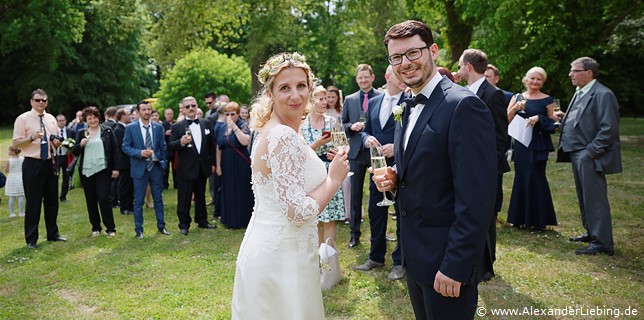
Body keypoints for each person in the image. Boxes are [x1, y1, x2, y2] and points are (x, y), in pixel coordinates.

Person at [374, 20, 497, 319]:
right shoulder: (405, 102)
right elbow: (425, 165)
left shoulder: (463, 106)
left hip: (446, 261)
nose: (405, 63)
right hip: (415, 255)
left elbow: (477, 198)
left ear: (433, 51)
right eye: (396, 57)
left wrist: (455, 264)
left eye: (413, 53)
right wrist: (395, 177)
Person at [231, 52, 348, 320]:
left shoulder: (275, 129)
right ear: (270, 93)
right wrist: (333, 179)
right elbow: (297, 212)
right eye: (285, 87)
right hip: (282, 260)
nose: (295, 95)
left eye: (301, 86)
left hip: (273, 250)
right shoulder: (283, 134)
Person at [557, 57, 622, 256]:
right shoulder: (581, 92)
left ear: (589, 73)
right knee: (584, 196)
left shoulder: (603, 94)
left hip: (589, 155)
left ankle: (602, 242)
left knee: (595, 198)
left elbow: (609, 129)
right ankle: (592, 232)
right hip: (577, 153)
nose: (571, 74)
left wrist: (591, 153)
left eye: (575, 71)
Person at [458, 49, 510, 282]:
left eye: (460, 66)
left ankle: (487, 265)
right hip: (466, 166)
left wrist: (488, 167)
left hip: (487, 168)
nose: (458, 71)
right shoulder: (462, 93)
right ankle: (474, 261)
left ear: (468, 67)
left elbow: (501, 136)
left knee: (487, 217)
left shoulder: (493, 94)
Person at [355, 65, 407, 280]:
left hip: (402, 168)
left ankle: (400, 262)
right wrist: (366, 137)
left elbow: (413, 133)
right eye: (398, 72)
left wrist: (395, 148)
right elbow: (366, 127)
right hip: (376, 168)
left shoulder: (409, 102)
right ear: (388, 76)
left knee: (402, 215)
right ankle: (376, 256)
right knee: (376, 212)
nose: (404, 75)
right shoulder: (375, 101)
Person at [12, 88, 67, 249]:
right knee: (33, 202)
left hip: (50, 162)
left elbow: (55, 139)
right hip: (33, 163)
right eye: (38, 100)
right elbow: (16, 143)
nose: (41, 103)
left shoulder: (51, 118)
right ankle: (31, 239)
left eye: (44, 100)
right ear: (31, 102)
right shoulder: (22, 119)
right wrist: (32, 137)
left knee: (52, 201)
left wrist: (57, 143)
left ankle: (53, 234)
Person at [506, 67, 558, 231]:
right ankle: (518, 218)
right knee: (521, 177)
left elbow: (555, 124)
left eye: (539, 79)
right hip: (522, 144)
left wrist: (540, 118)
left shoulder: (549, 100)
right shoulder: (517, 97)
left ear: (543, 82)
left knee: (536, 178)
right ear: (526, 79)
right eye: (532, 78)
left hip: (538, 145)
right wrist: (515, 109)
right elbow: (505, 119)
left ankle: (538, 220)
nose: (535, 82)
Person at [342, 63, 383, 248]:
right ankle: (354, 234)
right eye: (360, 78)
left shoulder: (382, 97)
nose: (363, 80)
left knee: (378, 194)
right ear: (356, 79)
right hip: (357, 152)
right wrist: (351, 127)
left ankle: (379, 234)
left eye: (366, 77)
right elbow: (341, 125)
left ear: (372, 77)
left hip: (376, 151)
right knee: (355, 194)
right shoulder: (349, 99)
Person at [300, 86, 345, 247]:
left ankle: (329, 258)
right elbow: (301, 153)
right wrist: (317, 143)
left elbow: (344, 146)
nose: (325, 102)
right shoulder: (302, 125)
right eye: (320, 99)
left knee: (330, 218)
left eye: (326, 98)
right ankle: (317, 259)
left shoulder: (333, 121)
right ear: (311, 102)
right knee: (315, 218)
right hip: (312, 173)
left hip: (330, 172)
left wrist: (339, 154)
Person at [122, 100, 170, 239]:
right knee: (138, 200)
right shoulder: (131, 128)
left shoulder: (158, 127)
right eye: (144, 109)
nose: (147, 112)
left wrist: (163, 162)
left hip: (155, 167)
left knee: (158, 198)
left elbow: (163, 146)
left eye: (149, 109)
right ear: (138, 112)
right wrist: (139, 153)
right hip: (139, 168)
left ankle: (161, 226)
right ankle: (139, 230)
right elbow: (125, 147)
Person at [169, 96, 217, 235]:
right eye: (188, 106)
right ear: (183, 110)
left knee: (201, 195)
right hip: (186, 168)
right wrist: (181, 142)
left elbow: (211, 146)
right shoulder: (177, 127)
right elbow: (170, 145)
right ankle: (184, 224)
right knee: (184, 197)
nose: (191, 108)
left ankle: (202, 220)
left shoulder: (206, 123)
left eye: (193, 105)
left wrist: (213, 163)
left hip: (203, 167)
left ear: (197, 107)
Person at [71, 106, 119, 237]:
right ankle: (96, 227)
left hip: (103, 169)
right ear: (86, 120)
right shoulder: (82, 132)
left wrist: (115, 169)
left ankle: (110, 228)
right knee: (90, 200)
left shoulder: (107, 131)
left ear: (99, 118)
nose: (92, 120)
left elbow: (115, 151)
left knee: (104, 198)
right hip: (86, 171)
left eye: (94, 117)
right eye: (89, 118)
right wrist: (80, 144)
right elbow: (74, 152)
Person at [215, 101, 254, 229]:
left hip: (241, 162)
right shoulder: (221, 127)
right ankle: (230, 220)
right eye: (227, 114)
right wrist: (218, 165)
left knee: (241, 189)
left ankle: (243, 219)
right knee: (228, 190)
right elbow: (219, 146)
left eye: (232, 114)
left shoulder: (242, 125)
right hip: (226, 162)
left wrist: (234, 127)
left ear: (238, 114)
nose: (230, 116)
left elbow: (245, 141)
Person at [326, 85, 351, 224]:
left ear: (337, 98)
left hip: (341, 145)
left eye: (332, 97)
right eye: (328, 97)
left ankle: (348, 212)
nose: (330, 100)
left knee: (346, 182)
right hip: (327, 149)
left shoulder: (341, 112)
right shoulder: (323, 112)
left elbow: (344, 132)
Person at [114, 107, 133, 215]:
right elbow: (121, 147)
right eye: (128, 114)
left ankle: (129, 206)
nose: (130, 116)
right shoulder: (118, 130)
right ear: (122, 116)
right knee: (124, 185)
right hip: (124, 162)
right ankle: (124, 207)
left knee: (129, 185)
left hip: (128, 162)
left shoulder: (124, 128)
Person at [55, 114, 74, 202]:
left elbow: (74, 143)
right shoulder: (54, 131)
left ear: (65, 121)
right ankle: (53, 195)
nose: (61, 122)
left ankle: (63, 196)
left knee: (66, 176)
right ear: (57, 122)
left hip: (66, 156)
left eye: (63, 120)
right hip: (56, 156)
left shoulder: (70, 131)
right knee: (55, 176)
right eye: (59, 121)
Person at [5, 146, 25, 218]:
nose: (8, 152)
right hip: (20, 176)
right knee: (21, 195)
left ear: (13, 152)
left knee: (12, 196)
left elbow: (6, 171)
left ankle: (12, 213)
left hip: (12, 177)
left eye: (9, 150)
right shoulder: (22, 158)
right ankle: (21, 212)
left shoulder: (9, 160)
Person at [162, 108, 176, 189]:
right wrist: (165, 134)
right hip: (166, 149)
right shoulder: (162, 125)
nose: (169, 116)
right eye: (168, 114)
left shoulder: (175, 124)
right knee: (165, 169)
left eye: (171, 114)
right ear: (165, 115)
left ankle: (176, 184)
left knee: (175, 168)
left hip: (174, 149)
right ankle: (164, 184)